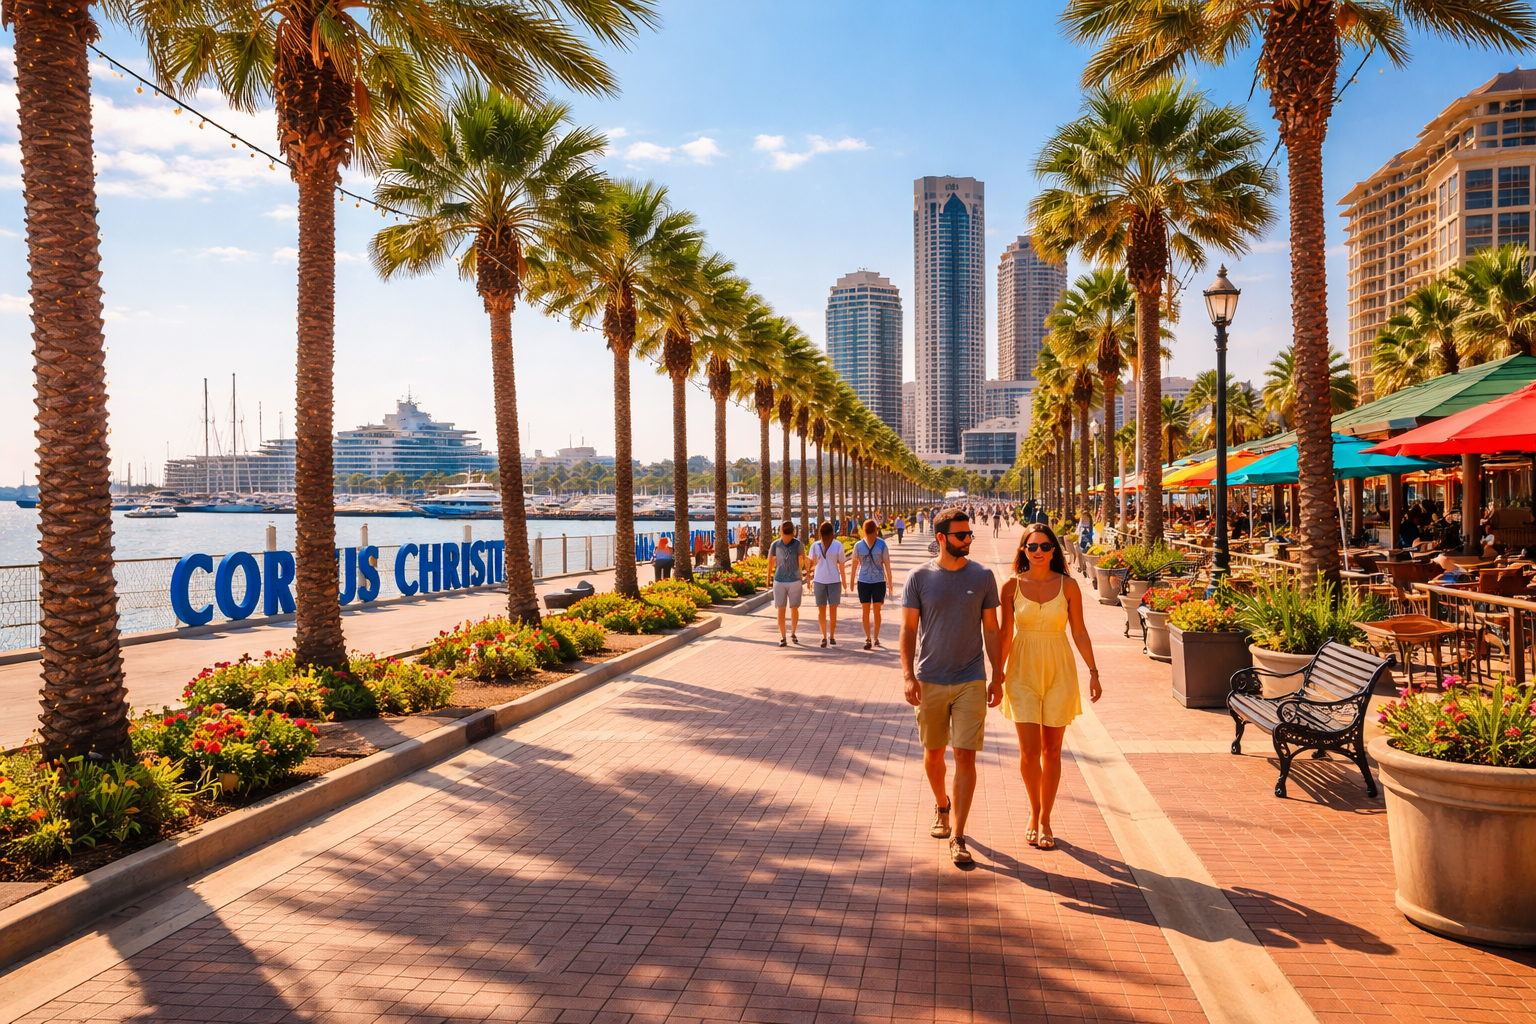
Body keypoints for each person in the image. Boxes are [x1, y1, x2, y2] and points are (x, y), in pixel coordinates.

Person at [901, 508, 1002, 867]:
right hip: (930, 679)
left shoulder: (984, 576)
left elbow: (992, 629)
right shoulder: (919, 577)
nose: (969, 540)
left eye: (970, 534)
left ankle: (958, 836)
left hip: (971, 678)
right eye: (962, 536)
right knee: (933, 755)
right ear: (942, 538)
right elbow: (909, 630)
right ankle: (941, 804)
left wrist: (998, 674)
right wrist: (908, 675)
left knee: (965, 756)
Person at [995, 523, 1102, 852]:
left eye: (1044, 546)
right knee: (1028, 752)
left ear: (1054, 550)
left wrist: (1094, 671)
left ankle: (1045, 820)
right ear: (1023, 550)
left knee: (1052, 751)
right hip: (1022, 672)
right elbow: (1003, 633)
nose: (1038, 551)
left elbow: (1080, 632)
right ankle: (1033, 811)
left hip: (1059, 670)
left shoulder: (1068, 586)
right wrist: (996, 675)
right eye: (1031, 546)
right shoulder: (1010, 586)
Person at [852, 518, 896, 650]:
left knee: (872, 611)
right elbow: (887, 565)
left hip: (874, 582)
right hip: (870, 582)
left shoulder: (875, 545)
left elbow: (854, 564)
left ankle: (873, 638)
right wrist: (890, 582)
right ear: (875, 530)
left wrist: (890, 581)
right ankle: (871, 638)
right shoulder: (863, 545)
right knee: (873, 611)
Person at [809, 521, 848, 648]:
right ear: (832, 532)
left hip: (823, 580)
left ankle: (826, 636)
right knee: (831, 610)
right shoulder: (836, 545)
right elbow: (841, 564)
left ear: (820, 532)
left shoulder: (817, 545)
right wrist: (844, 581)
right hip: (830, 580)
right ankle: (829, 636)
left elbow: (812, 563)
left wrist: (809, 579)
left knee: (823, 610)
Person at [767, 521, 806, 647]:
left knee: (781, 609)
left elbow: (770, 563)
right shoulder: (798, 544)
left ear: (781, 530)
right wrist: (800, 576)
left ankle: (783, 637)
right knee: (794, 608)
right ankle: (792, 633)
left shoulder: (775, 544)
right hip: (795, 580)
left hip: (779, 580)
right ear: (793, 531)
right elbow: (801, 562)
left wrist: (768, 579)